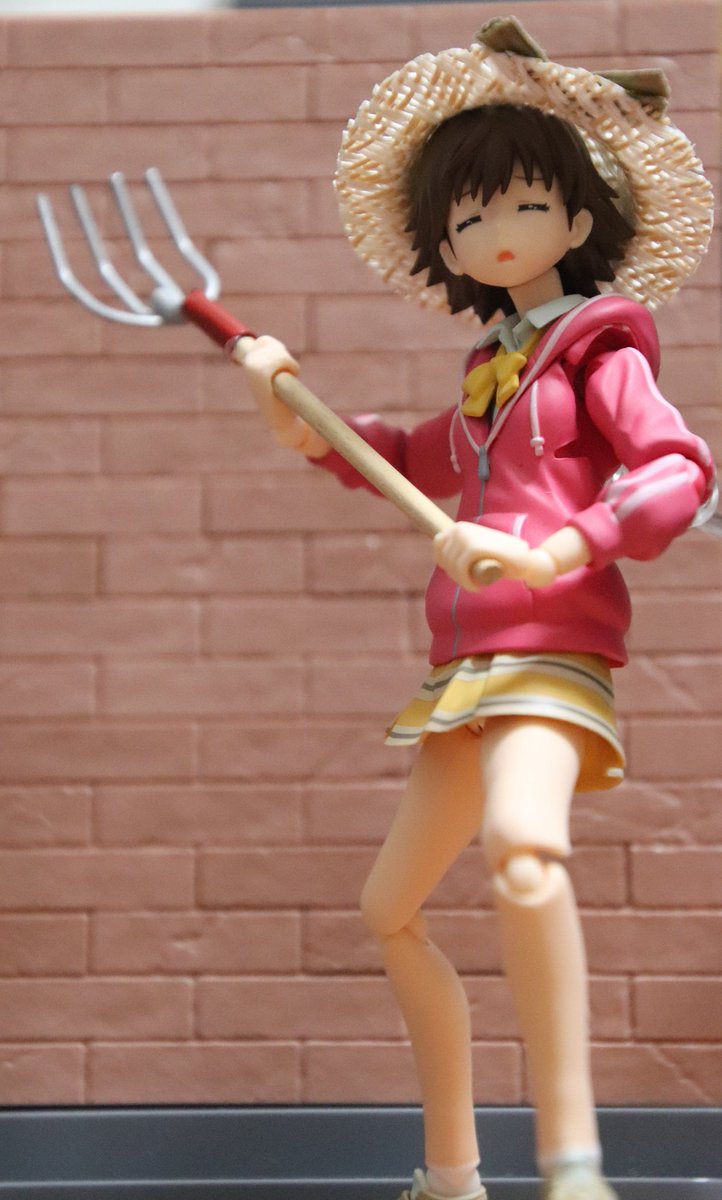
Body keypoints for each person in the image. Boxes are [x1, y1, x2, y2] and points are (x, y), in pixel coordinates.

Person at [242, 18, 717, 1200]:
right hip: (464, 675)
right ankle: (449, 1173)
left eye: (522, 205)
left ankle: (572, 1166)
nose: (494, 234)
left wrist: (556, 546)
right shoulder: (491, 375)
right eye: (467, 219)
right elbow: (409, 456)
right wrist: (296, 412)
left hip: (551, 654)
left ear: (576, 222)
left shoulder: (597, 355)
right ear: (445, 244)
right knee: (388, 908)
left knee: (522, 851)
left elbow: (675, 471)